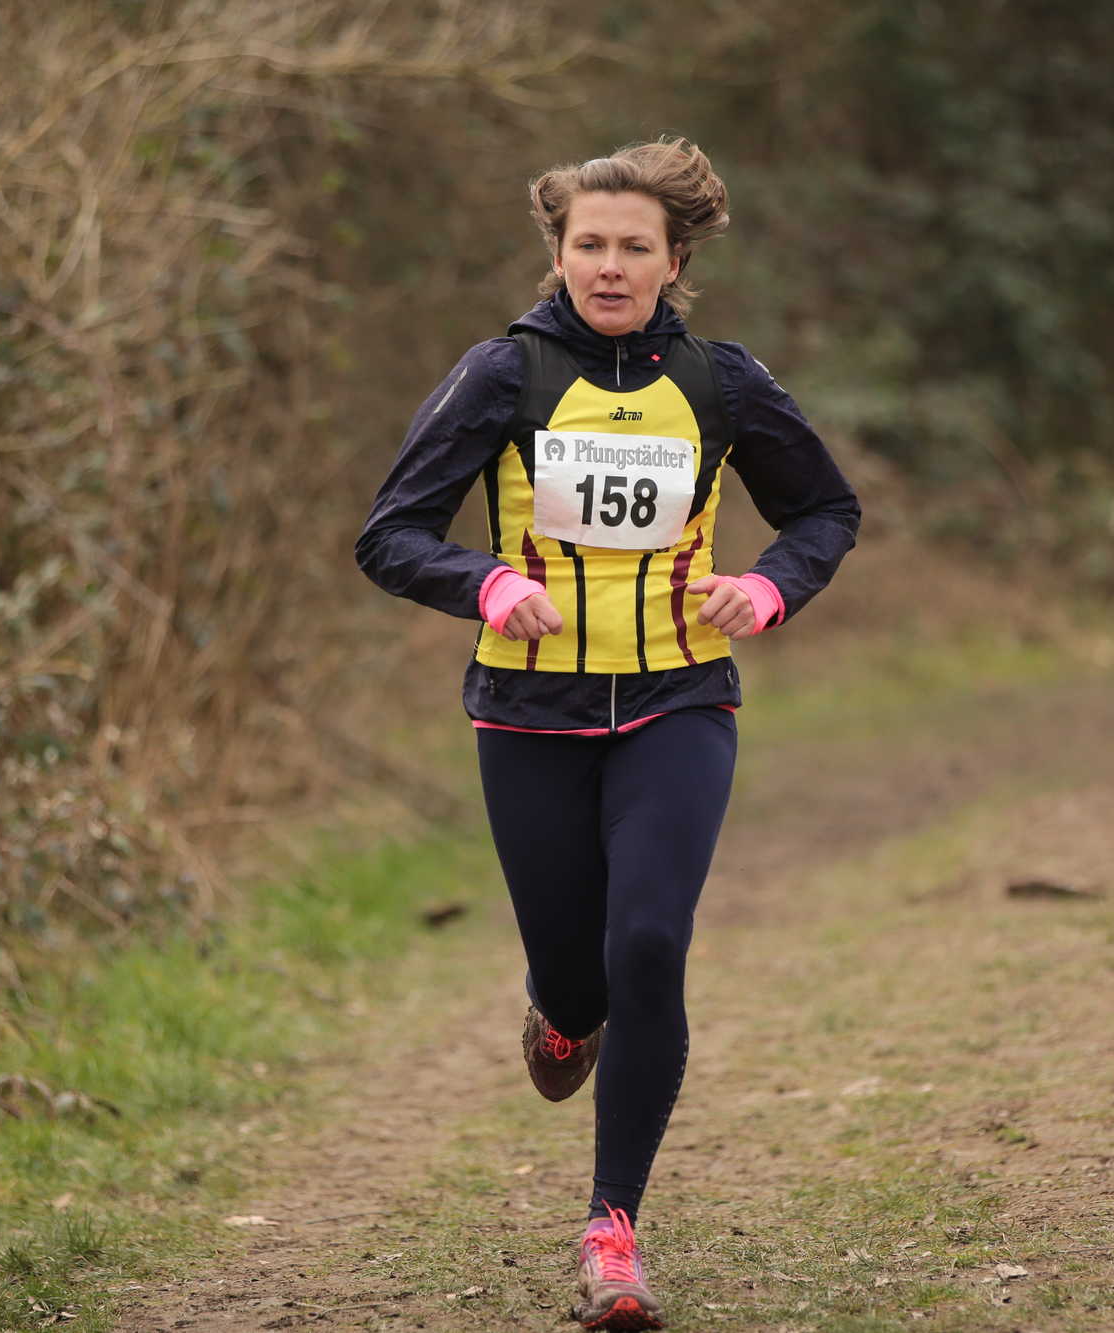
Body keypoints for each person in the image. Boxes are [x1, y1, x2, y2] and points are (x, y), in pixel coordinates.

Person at [355, 137, 859, 1331]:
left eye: (635, 247)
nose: (610, 265)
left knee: (647, 943)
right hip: (527, 710)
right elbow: (390, 534)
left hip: (679, 702)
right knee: (580, 977)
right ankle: (560, 1007)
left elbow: (824, 509)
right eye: (589, 244)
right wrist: (484, 582)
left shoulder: (722, 383)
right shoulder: (502, 374)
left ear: (674, 260)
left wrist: (768, 587)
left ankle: (610, 1228)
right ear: (559, 253)